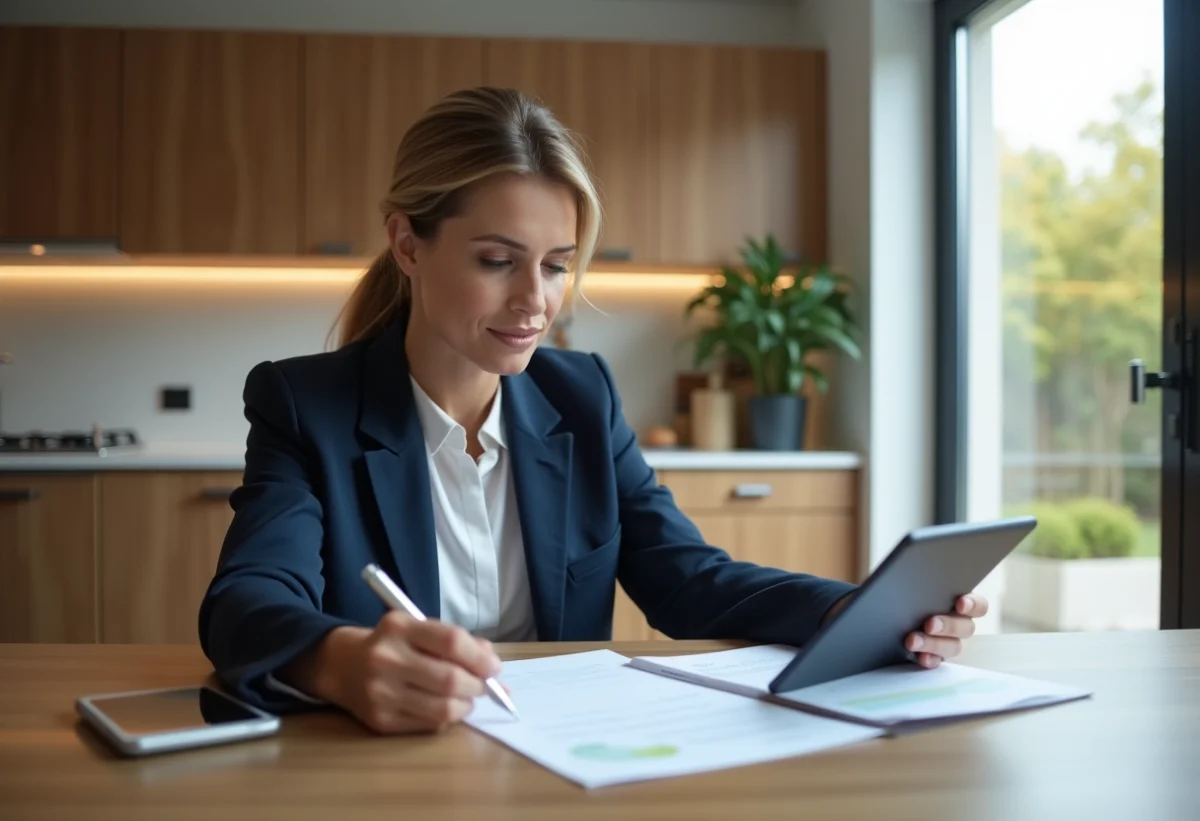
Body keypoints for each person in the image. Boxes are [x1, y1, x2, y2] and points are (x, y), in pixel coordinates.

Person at [198, 86, 988, 736]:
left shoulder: (581, 398)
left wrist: (851, 611)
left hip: (559, 757)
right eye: (497, 261)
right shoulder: (307, 406)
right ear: (408, 245)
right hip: (387, 768)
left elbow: (690, 580)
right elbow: (245, 602)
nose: (534, 302)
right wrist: (340, 661)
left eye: (555, 266)